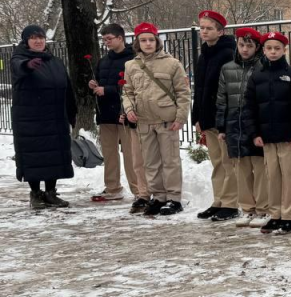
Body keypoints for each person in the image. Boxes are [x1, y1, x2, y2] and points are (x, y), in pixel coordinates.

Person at [244, 31, 291, 235]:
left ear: (284, 50)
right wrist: (254, 132)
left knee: (290, 178)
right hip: (267, 138)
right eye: (269, 48)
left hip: (290, 138)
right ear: (264, 50)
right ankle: (276, 215)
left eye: (277, 48)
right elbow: (249, 108)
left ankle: (290, 217)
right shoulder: (256, 77)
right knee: (272, 178)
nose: (273, 52)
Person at [122, 23, 191, 216]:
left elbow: (183, 93)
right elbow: (127, 91)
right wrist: (129, 109)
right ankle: (159, 197)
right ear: (137, 43)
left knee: (170, 161)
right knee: (150, 162)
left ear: (157, 41)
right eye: (143, 40)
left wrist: (181, 117)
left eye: (151, 39)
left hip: (166, 120)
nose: (148, 43)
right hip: (144, 121)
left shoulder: (172, 64)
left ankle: (174, 198)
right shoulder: (131, 65)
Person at [11, 24, 76, 209]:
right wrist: (28, 65)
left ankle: (50, 192)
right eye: (33, 38)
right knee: (34, 157)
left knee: (53, 156)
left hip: (55, 118)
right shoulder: (19, 58)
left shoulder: (54, 61)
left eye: (41, 37)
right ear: (26, 41)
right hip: (30, 120)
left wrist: (71, 112)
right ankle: (35, 193)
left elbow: (67, 88)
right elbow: (18, 67)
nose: (38, 41)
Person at [90, 23, 148, 211]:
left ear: (121, 38)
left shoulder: (133, 58)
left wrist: (106, 90)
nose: (106, 42)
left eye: (109, 38)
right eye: (104, 39)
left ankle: (139, 190)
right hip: (106, 113)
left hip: (125, 113)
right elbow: (100, 83)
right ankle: (113, 187)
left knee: (131, 154)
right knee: (109, 153)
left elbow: (134, 87)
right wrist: (94, 86)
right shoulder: (102, 61)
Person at [215, 26, 269, 228]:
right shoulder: (227, 68)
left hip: (256, 124)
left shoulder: (263, 67)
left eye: (249, 45)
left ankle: (263, 208)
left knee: (260, 169)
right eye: (241, 45)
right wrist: (221, 127)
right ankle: (247, 208)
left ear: (257, 47)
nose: (245, 49)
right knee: (241, 169)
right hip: (234, 124)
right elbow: (222, 99)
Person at [192, 9, 238, 221]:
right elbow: (199, 88)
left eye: (209, 28)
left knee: (228, 161)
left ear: (220, 32)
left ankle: (231, 203)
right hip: (207, 117)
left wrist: (226, 119)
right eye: (202, 28)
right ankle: (218, 200)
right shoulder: (204, 54)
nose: (204, 31)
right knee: (217, 161)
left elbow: (230, 89)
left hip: (224, 118)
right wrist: (197, 117)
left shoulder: (228, 53)